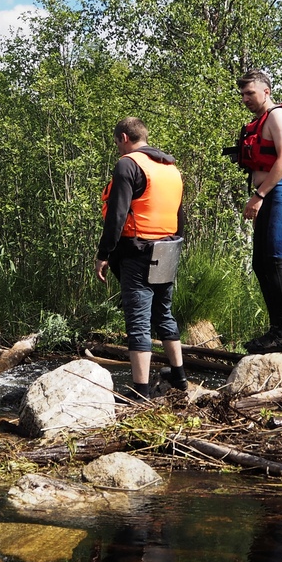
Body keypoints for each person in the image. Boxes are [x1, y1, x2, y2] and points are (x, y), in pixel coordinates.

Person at [95, 117, 187, 400]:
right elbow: (178, 214)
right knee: (163, 313)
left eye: (117, 143)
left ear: (124, 138)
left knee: (138, 319)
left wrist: (104, 254)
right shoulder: (171, 168)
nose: (118, 149)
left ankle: (140, 391)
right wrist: (174, 242)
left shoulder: (128, 164)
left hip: (138, 250)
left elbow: (117, 215)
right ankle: (179, 377)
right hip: (168, 246)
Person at [233, 70, 282, 354]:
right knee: (260, 263)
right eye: (242, 94)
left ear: (266, 91)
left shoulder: (277, 115)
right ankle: (275, 332)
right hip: (269, 194)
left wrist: (258, 195)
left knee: (274, 261)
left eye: (250, 93)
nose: (245, 99)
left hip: (280, 192)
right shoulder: (259, 120)